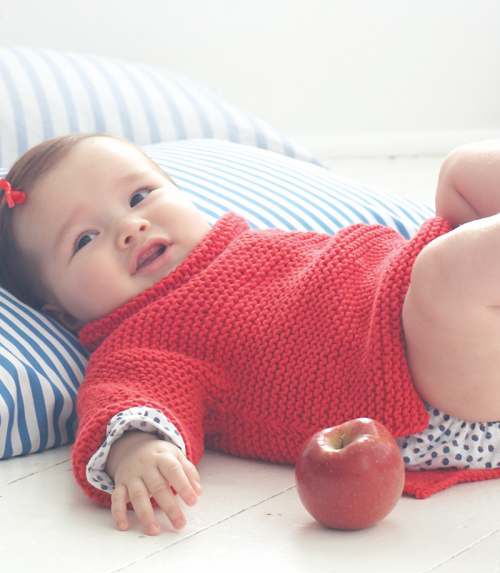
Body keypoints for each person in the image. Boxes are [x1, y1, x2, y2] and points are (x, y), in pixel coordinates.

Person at [2, 133, 500, 537]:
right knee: (447, 273)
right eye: (84, 239)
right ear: (61, 312)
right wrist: (136, 452)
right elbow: (124, 405)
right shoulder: (141, 344)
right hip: (420, 384)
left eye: (139, 196)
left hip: (432, 299)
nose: (130, 226)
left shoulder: (241, 243)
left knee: (464, 173)